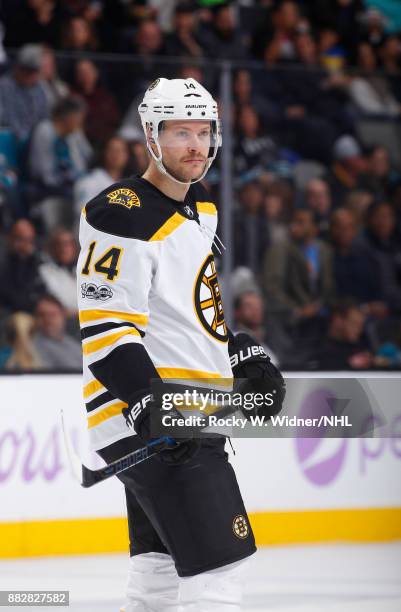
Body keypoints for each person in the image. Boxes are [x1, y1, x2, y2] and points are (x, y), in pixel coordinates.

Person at [77, 76, 285, 612]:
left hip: (186, 411)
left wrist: (238, 349)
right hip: (158, 420)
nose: (195, 146)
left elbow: (192, 311)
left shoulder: (203, 206)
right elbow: (107, 328)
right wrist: (149, 400)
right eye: (179, 133)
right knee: (220, 573)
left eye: (204, 132)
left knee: (157, 577)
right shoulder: (118, 213)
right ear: (150, 135)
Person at [32, 294, 82, 370]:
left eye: (52, 315)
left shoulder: (73, 343)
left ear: (63, 316)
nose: (47, 319)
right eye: (42, 315)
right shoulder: (32, 347)